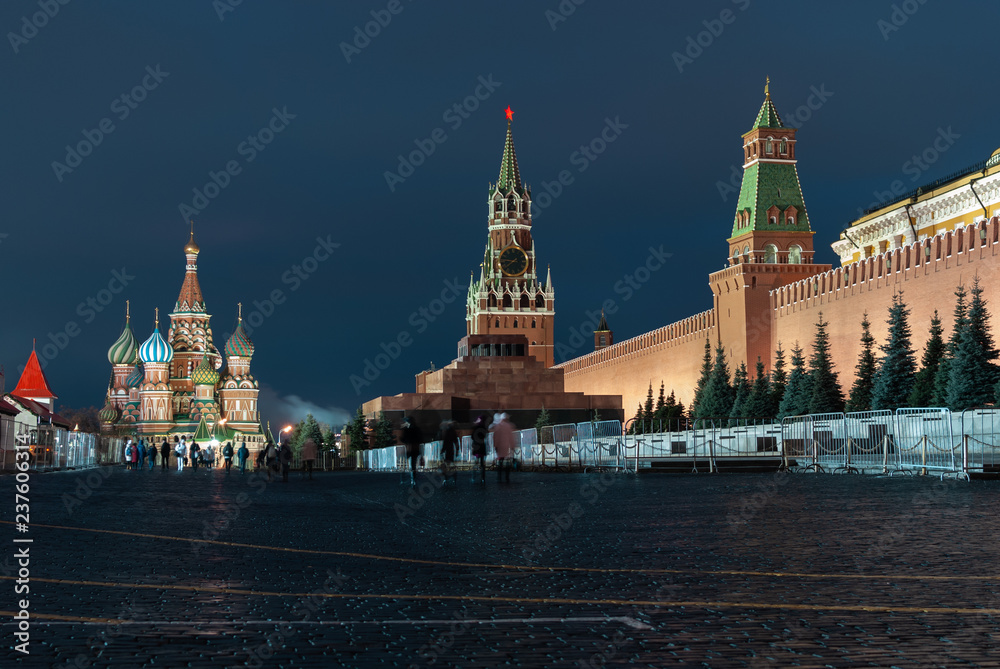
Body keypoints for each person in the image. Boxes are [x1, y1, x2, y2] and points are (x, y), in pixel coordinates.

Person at [491, 412, 516, 484]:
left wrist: (495, 446)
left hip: (499, 446)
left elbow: (495, 437)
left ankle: (499, 477)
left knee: (500, 462)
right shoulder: (509, 426)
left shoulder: (498, 426)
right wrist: (512, 446)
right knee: (507, 462)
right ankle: (507, 477)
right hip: (506, 446)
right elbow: (511, 437)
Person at [401, 416, 424, 486]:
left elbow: (404, 439)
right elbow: (421, 439)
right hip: (416, 448)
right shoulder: (417, 429)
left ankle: (411, 479)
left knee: (409, 464)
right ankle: (413, 478)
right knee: (413, 464)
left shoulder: (407, 430)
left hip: (410, 448)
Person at [439, 419, 459, 486]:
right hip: (450, 449)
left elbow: (445, 442)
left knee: (446, 464)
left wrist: (442, 450)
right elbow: (456, 442)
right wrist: (457, 450)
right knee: (450, 464)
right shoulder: (452, 431)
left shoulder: (447, 431)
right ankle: (452, 477)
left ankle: (446, 478)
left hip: (448, 450)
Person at [471, 414, 488, 485]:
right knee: (482, 463)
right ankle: (483, 478)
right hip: (482, 446)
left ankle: (474, 476)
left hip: (476, 446)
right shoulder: (484, 428)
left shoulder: (476, 428)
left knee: (476, 462)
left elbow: (472, 437)